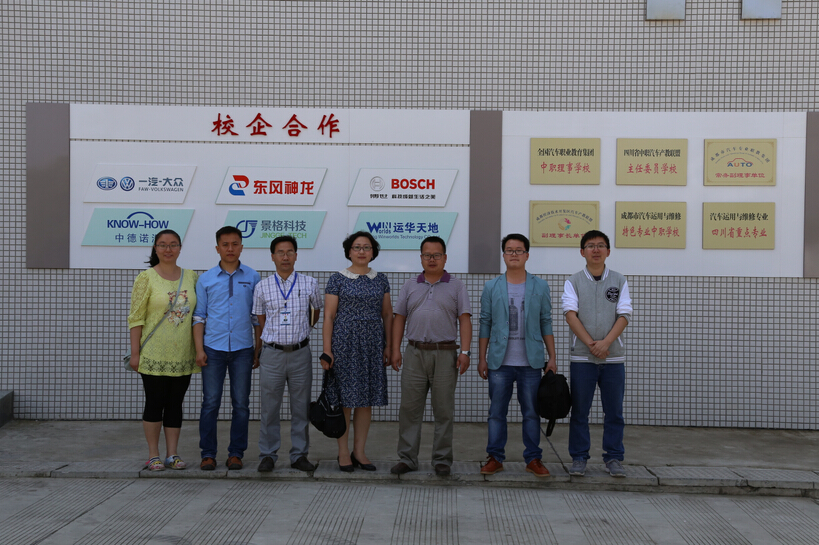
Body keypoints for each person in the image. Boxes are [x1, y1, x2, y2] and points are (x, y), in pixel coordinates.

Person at [390, 236, 472, 477]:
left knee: (443, 410)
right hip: (414, 353)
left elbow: (464, 319)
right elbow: (399, 318)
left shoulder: (457, 286)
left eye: (437, 255)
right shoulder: (409, 285)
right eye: (427, 255)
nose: (432, 259)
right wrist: (395, 349)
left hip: (445, 354)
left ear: (445, 258)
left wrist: (465, 352)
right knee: (409, 409)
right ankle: (407, 458)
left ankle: (442, 459)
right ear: (421, 258)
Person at [477, 233, 556, 478]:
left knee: (531, 413)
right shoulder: (492, 286)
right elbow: (485, 322)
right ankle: (495, 457)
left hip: (531, 363)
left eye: (519, 250)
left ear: (527, 255)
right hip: (499, 362)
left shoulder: (540, 286)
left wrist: (552, 357)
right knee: (496, 413)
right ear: (503, 255)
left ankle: (533, 458)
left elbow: (545, 321)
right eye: (509, 250)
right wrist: (482, 358)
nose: (514, 254)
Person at [562, 230, 632, 478]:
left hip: (613, 359)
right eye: (590, 246)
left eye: (600, 245)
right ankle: (579, 457)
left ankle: (613, 457)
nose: (596, 249)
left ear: (608, 251)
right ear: (582, 252)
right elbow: (571, 315)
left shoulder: (619, 280)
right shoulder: (573, 281)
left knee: (614, 412)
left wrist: (606, 343)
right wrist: (593, 344)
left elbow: (624, 315)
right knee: (580, 412)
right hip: (582, 358)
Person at [127, 229, 199, 471]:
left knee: (175, 404)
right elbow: (136, 318)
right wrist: (135, 353)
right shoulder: (145, 278)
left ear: (180, 248)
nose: (168, 249)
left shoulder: (191, 276)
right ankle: (153, 455)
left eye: (173, 244)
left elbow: (198, 315)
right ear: (155, 248)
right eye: (163, 244)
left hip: (183, 354)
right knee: (154, 403)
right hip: (153, 354)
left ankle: (172, 454)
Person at [322, 231, 393, 472]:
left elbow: (387, 314)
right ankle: (343, 452)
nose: (362, 251)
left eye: (366, 247)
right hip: (344, 344)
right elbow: (329, 316)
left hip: (372, 345)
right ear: (349, 252)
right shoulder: (337, 279)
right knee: (344, 400)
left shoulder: (380, 279)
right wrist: (327, 350)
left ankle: (359, 451)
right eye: (357, 247)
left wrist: (389, 345)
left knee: (365, 401)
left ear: (373, 252)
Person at [193, 226, 262, 471]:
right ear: (217, 248)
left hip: (243, 349)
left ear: (241, 247)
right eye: (225, 244)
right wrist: (199, 349)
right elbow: (199, 317)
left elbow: (257, 318)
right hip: (213, 348)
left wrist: (257, 349)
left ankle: (236, 453)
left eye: (235, 244)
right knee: (210, 402)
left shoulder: (253, 277)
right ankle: (208, 454)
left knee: (241, 403)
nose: (230, 248)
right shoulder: (206, 279)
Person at [252, 235, 322, 473]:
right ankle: (268, 454)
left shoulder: (310, 283)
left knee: (301, 407)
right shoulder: (262, 287)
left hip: (300, 354)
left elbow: (316, 311)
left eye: (290, 252)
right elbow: (260, 319)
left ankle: (299, 455)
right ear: (272, 256)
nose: (285, 257)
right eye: (280, 252)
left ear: (296, 255)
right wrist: (268, 341)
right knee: (269, 408)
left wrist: (302, 330)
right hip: (272, 354)